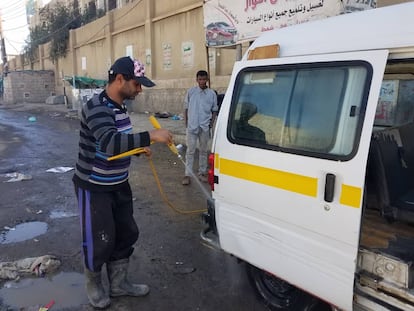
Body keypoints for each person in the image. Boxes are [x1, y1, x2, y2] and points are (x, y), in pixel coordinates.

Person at [72, 56, 173, 309]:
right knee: (99, 239)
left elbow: (120, 143)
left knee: (125, 233)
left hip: (118, 182)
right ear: (120, 79)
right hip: (94, 186)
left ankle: (118, 284)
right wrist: (150, 136)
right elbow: (109, 143)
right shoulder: (97, 107)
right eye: (137, 84)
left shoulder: (119, 107)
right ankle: (94, 285)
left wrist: (137, 150)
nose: (139, 90)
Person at [182, 70, 218, 185]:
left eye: (204, 79)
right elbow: (186, 108)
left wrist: (211, 124)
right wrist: (186, 123)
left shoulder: (212, 94)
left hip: (205, 127)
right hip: (192, 126)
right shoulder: (191, 92)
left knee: (203, 151)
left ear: (207, 79)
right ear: (197, 80)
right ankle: (187, 174)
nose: (202, 81)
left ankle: (202, 172)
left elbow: (214, 110)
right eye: (200, 79)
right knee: (190, 151)